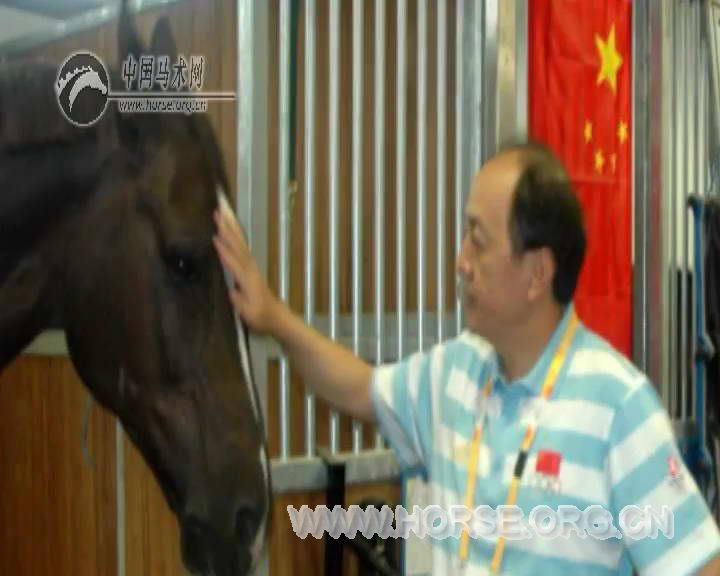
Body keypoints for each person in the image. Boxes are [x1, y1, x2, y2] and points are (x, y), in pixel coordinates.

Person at [213, 141, 720, 575]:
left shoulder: (617, 407)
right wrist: (272, 316)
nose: (461, 262)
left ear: (536, 274)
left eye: (478, 241)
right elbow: (358, 388)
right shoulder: (452, 374)